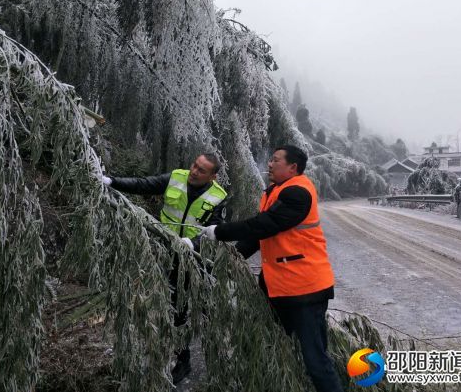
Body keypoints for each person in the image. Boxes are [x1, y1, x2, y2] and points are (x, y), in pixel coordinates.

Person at [198, 145, 343, 392]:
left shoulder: (298, 192)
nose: (270, 164)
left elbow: (266, 225)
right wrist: (232, 258)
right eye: (271, 160)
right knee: (276, 344)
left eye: (276, 160)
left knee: (315, 360)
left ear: (292, 167)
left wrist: (220, 232)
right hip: (280, 288)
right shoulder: (276, 191)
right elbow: (261, 236)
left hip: (305, 291)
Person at [102, 153, 227, 384]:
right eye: (194, 165)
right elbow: (144, 185)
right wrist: (112, 181)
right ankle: (182, 358)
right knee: (175, 306)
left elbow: (216, 230)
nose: (194, 171)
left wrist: (194, 243)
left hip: (196, 259)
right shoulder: (176, 178)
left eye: (201, 170)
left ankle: (209, 359)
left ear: (213, 176)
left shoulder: (218, 197)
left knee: (196, 307)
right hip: (168, 253)